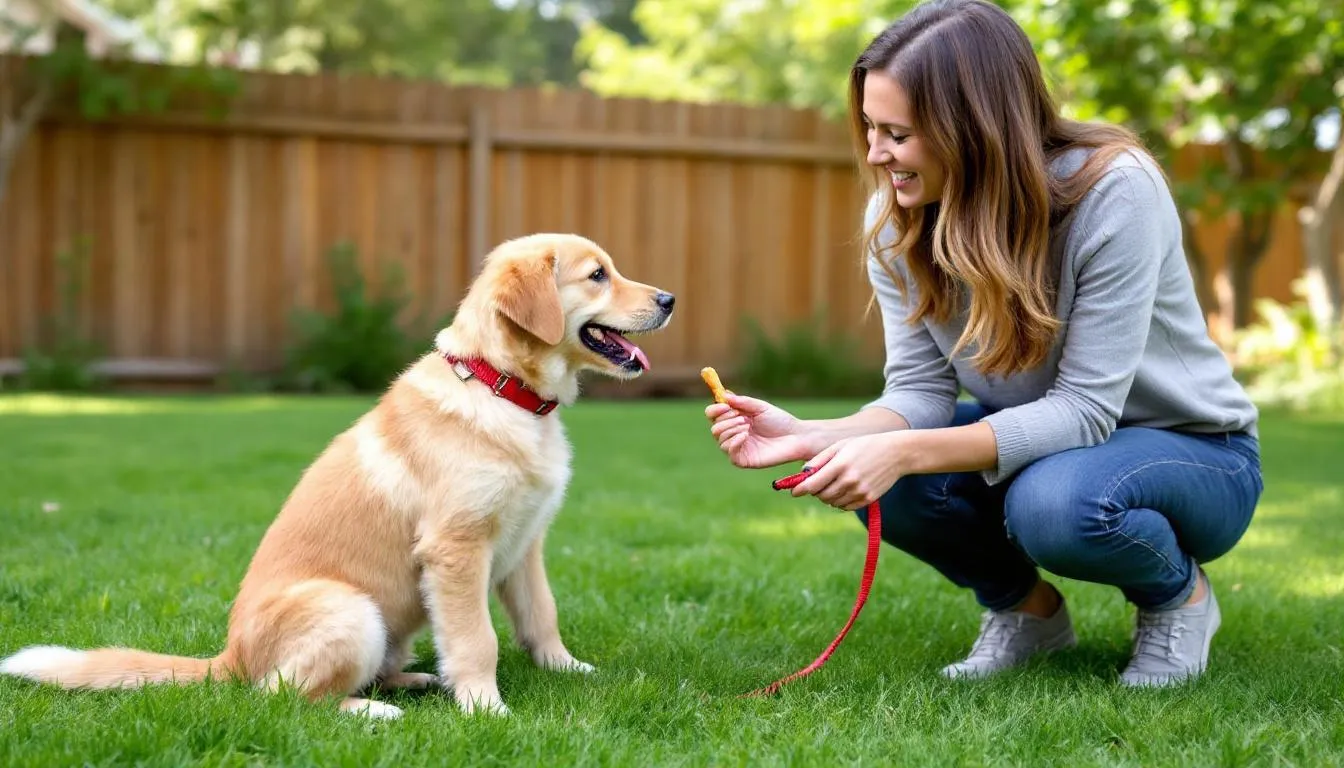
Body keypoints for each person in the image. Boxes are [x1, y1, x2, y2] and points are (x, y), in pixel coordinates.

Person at [705, 0, 1262, 688]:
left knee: (1053, 505)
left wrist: (900, 451)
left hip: (1198, 456)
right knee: (899, 485)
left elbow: (1086, 411)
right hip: (1060, 448)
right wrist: (817, 435)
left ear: (973, 130)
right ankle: (1029, 614)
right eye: (871, 129)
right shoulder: (899, 212)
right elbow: (919, 394)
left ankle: (1179, 599)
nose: (877, 155)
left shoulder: (1115, 191)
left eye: (899, 134)